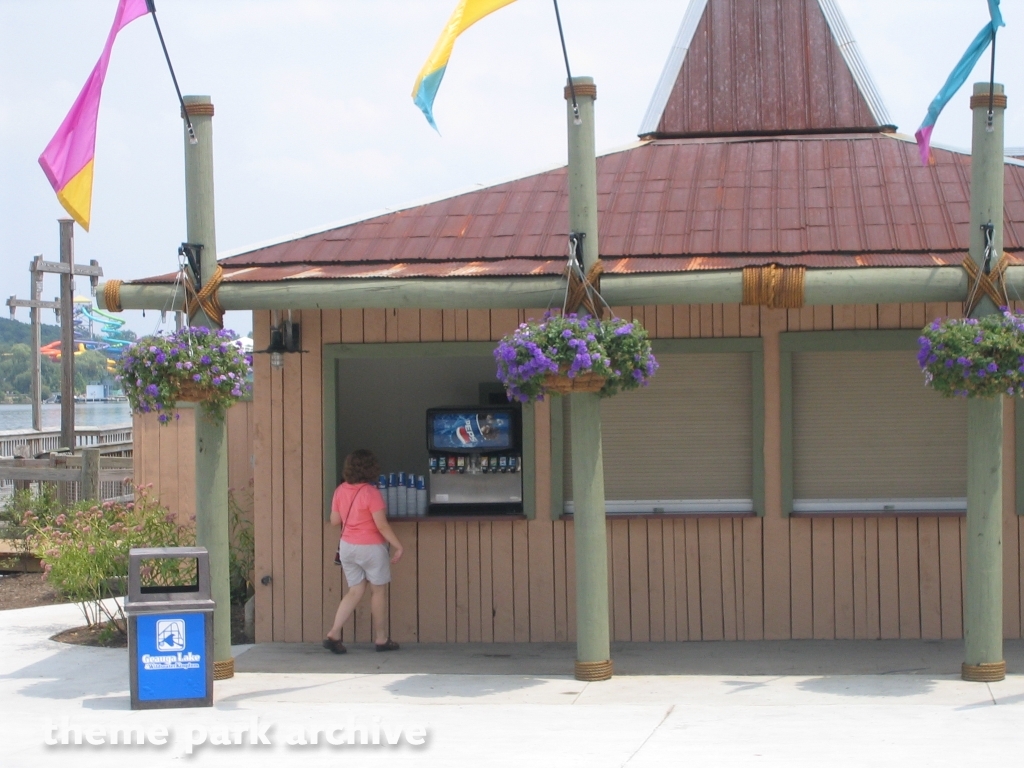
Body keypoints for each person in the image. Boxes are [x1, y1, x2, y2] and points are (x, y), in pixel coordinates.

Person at [324, 449, 403, 653]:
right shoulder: (371, 493)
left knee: (355, 591)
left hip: (347, 547)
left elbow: (334, 521)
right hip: (371, 548)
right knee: (378, 592)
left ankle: (334, 632)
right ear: (371, 469)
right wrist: (398, 545)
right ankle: (381, 638)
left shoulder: (340, 490)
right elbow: (382, 525)